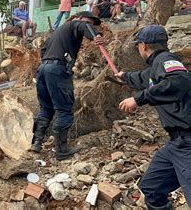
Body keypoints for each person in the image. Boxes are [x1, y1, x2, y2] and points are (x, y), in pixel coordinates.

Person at [114, 25, 191, 210]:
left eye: (138, 45)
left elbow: (178, 81)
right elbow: (142, 78)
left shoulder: (166, 59)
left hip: (188, 144)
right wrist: (125, 76)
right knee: (151, 188)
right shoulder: (156, 67)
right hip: (175, 144)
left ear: (143, 45)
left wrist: (138, 98)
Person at [31, 11, 103, 160]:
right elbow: (83, 26)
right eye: (88, 22)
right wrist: (95, 36)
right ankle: (62, 150)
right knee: (64, 110)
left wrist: (49, 63)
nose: (89, 25)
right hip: (57, 70)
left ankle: (36, 143)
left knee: (46, 108)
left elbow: (43, 50)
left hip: (43, 69)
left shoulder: (58, 32)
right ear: (78, 18)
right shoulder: (73, 24)